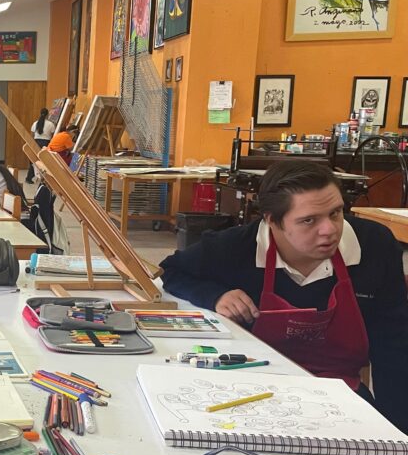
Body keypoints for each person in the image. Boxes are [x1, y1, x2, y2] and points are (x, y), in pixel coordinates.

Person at [160, 161, 408, 433]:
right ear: (271, 220)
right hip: (249, 389)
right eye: (309, 220)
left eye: (335, 213)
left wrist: (397, 433)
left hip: (339, 392)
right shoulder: (235, 247)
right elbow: (172, 270)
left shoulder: (374, 245)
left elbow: (394, 345)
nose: (330, 230)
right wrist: (215, 295)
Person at [27, 108, 56, 183]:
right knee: (45, 162)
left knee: (34, 160)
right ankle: (45, 179)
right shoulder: (51, 124)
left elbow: (32, 134)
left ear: (40, 114)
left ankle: (29, 178)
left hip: (36, 142)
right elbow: (53, 136)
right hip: (46, 143)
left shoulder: (35, 123)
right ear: (47, 115)